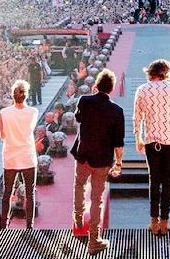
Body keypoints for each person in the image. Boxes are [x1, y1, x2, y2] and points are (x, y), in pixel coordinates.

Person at [71, 68, 124, 256]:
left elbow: (78, 118)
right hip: (102, 160)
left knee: (79, 185)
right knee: (96, 198)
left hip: (83, 154)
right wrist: (119, 163)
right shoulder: (117, 111)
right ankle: (94, 240)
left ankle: (78, 217)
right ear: (111, 89)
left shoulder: (85, 101)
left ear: (97, 85)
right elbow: (119, 142)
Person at [133, 58, 170, 235]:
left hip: (151, 141)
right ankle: (165, 222)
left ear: (150, 73)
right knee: (167, 180)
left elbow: (137, 118)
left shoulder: (142, 89)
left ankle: (153, 221)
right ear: (166, 73)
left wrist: (138, 139)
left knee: (154, 181)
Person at [0, 80, 38, 229]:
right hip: (27, 156)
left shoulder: (3, 113)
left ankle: (4, 225)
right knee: (30, 193)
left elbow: (2, 136)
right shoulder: (33, 112)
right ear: (26, 95)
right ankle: (30, 226)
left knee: (7, 192)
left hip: (10, 157)